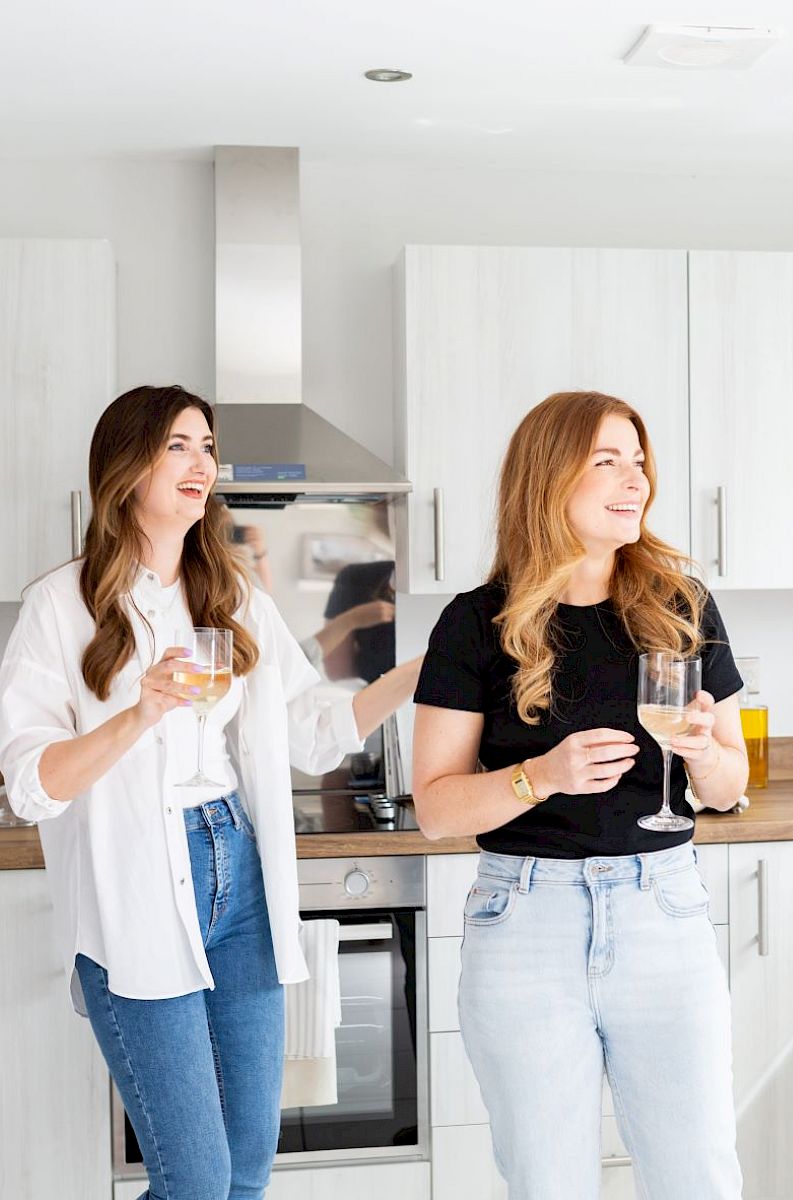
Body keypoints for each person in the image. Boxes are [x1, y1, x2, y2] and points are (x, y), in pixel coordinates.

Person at [0, 385, 420, 1200]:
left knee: (247, 1170)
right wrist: (138, 713)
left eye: (207, 445)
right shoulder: (60, 604)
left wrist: (409, 677)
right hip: (135, 894)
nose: (203, 464)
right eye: (178, 446)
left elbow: (310, 727)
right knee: (194, 1181)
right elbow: (29, 783)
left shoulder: (231, 595)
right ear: (126, 470)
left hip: (239, 872)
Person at [412, 391, 748, 1200]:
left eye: (638, 460)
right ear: (547, 478)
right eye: (607, 461)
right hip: (525, 923)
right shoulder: (474, 625)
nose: (633, 479)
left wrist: (704, 755)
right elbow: (435, 808)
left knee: (697, 1176)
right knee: (548, 1182)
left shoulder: (682, 607)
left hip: (661, 912)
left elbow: (732, 785)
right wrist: (542, 776)